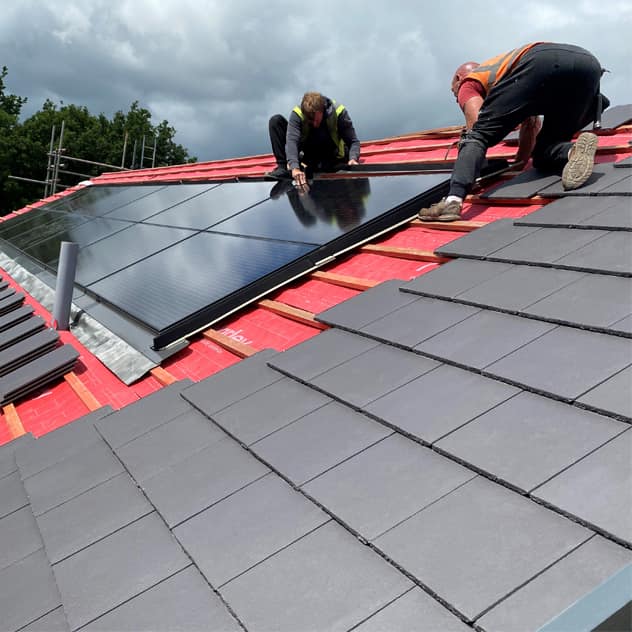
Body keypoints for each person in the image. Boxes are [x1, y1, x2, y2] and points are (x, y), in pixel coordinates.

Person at [419, 42, 609, 222]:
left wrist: (470, 170)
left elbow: (476, 128)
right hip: (588, 66)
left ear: (458, 80)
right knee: (544, 153)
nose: (457, 99)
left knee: (476, 136)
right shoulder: (512, 82)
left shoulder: (470, 82)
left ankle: (452, 201)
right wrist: (520, 164)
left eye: (454, 93)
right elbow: (530, 126)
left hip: (541, 61)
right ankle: (572, 151)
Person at [266, 92, 361, 187]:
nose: (314, 124)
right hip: (308, 154)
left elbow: (353, 141)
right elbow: (291, 141)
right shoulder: (297, 114)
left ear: (322, 110)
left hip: (331, 156)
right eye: (310, 120)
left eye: (316, 119)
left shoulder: (338, 111)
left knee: (321, 132)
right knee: (276, 121)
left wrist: (353, 158)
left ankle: (320, 164)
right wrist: (294, 167)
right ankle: (283, 168)